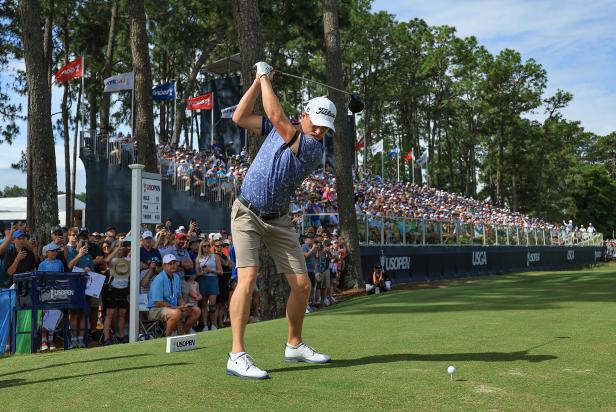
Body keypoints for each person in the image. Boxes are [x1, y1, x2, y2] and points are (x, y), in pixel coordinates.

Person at [226, 61, 335, 379]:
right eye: (316, 123)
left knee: (302, 285)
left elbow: (276, 115)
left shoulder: (313, 148)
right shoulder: (282, 128)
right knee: (247, 280)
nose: (319, 131)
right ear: (305, 115)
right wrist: (257, 83)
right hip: (246, 213)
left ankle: (294, 343)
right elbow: (239, 117)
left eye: (325, 129)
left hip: (279, 220)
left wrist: (263, 76)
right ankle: (236, 355)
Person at [148, 254, 201, 337]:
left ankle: (182, 334)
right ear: (164, 265)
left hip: (173, 307)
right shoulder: (159, 279)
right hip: (155, 310)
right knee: (176, 313)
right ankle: (168, 338)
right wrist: (176, 307)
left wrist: (183, 305)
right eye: (170, 264)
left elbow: (179, 296)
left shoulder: (176, 277)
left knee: (196, 310)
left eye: (174, 263)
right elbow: (158, 303)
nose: (173, 265)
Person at [37, 243, 64, 351]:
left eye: (56, 251)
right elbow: (39, 280)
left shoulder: (60, 263)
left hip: (57, 293)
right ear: (47, 252)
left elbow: (62, 277)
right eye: (52, 251)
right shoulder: (42, 264)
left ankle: (51, 339)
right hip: (45, 293)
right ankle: (44, 340)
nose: (54, 253)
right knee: (46, 316)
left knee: (54, 314)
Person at [195, 240, 222, 331]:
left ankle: (214, 324)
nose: (206, 247)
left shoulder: (215, 256)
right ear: (201, 248)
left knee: (212, 305)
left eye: (207, 246)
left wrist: (210, 270)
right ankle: (205, 325)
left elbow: (221, 272)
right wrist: (202, 272)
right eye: (204, 246)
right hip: (203, 280)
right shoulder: (198, 258)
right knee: (203, 304)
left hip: (213, 280)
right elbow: (197, 273)